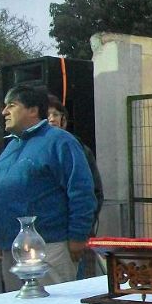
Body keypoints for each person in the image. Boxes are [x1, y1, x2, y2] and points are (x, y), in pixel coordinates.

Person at [0, 85, 97, 292]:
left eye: (11, 105)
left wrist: (78, 236)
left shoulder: (60, 141)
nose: (4, 112)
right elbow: (0, 196)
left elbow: (81, 191)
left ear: (33, 110)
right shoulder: (9, 148)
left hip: (50, 247)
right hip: (10, 248)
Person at [47, 96, 104, 232]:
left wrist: (83, 227)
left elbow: (94, 192)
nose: (52, 119)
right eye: (47, 115)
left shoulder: (79, 149)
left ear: (64, 120)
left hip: (73, 231)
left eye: (55, 114)